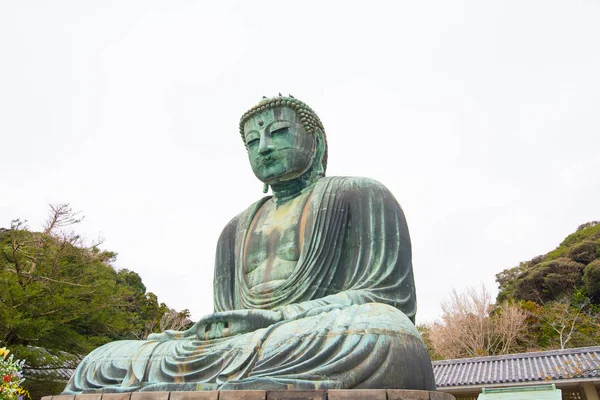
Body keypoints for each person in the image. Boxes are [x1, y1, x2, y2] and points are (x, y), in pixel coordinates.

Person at [63, 96, 436, 393]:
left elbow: (389, 299)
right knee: (101, 360)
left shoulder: (359, 193)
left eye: (278, 133)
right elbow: (225, 318)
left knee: (387, 333)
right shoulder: (234, 229)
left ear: (316, 140)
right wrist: (206, 334)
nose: (264, 147)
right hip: (247, 346)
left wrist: (276, 319)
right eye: (253, 141)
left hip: (310, 332)